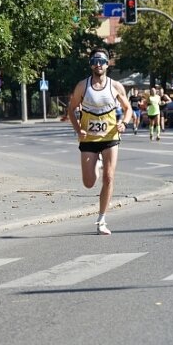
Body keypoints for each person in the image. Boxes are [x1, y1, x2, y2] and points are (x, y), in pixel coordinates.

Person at [67, 48, 132, 235]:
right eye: (95, 60)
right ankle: (97, 163)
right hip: (89, 138)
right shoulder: (82, 86)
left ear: (107, 64)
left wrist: (124, 123)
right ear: (90, 64)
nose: (98, 64)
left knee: (109, 177)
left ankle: (102, 219)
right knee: (88, 183)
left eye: (102, 61)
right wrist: (78, 129)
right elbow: (71, 109)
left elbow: (127, 108)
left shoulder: (116, 86)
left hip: (110, 137)